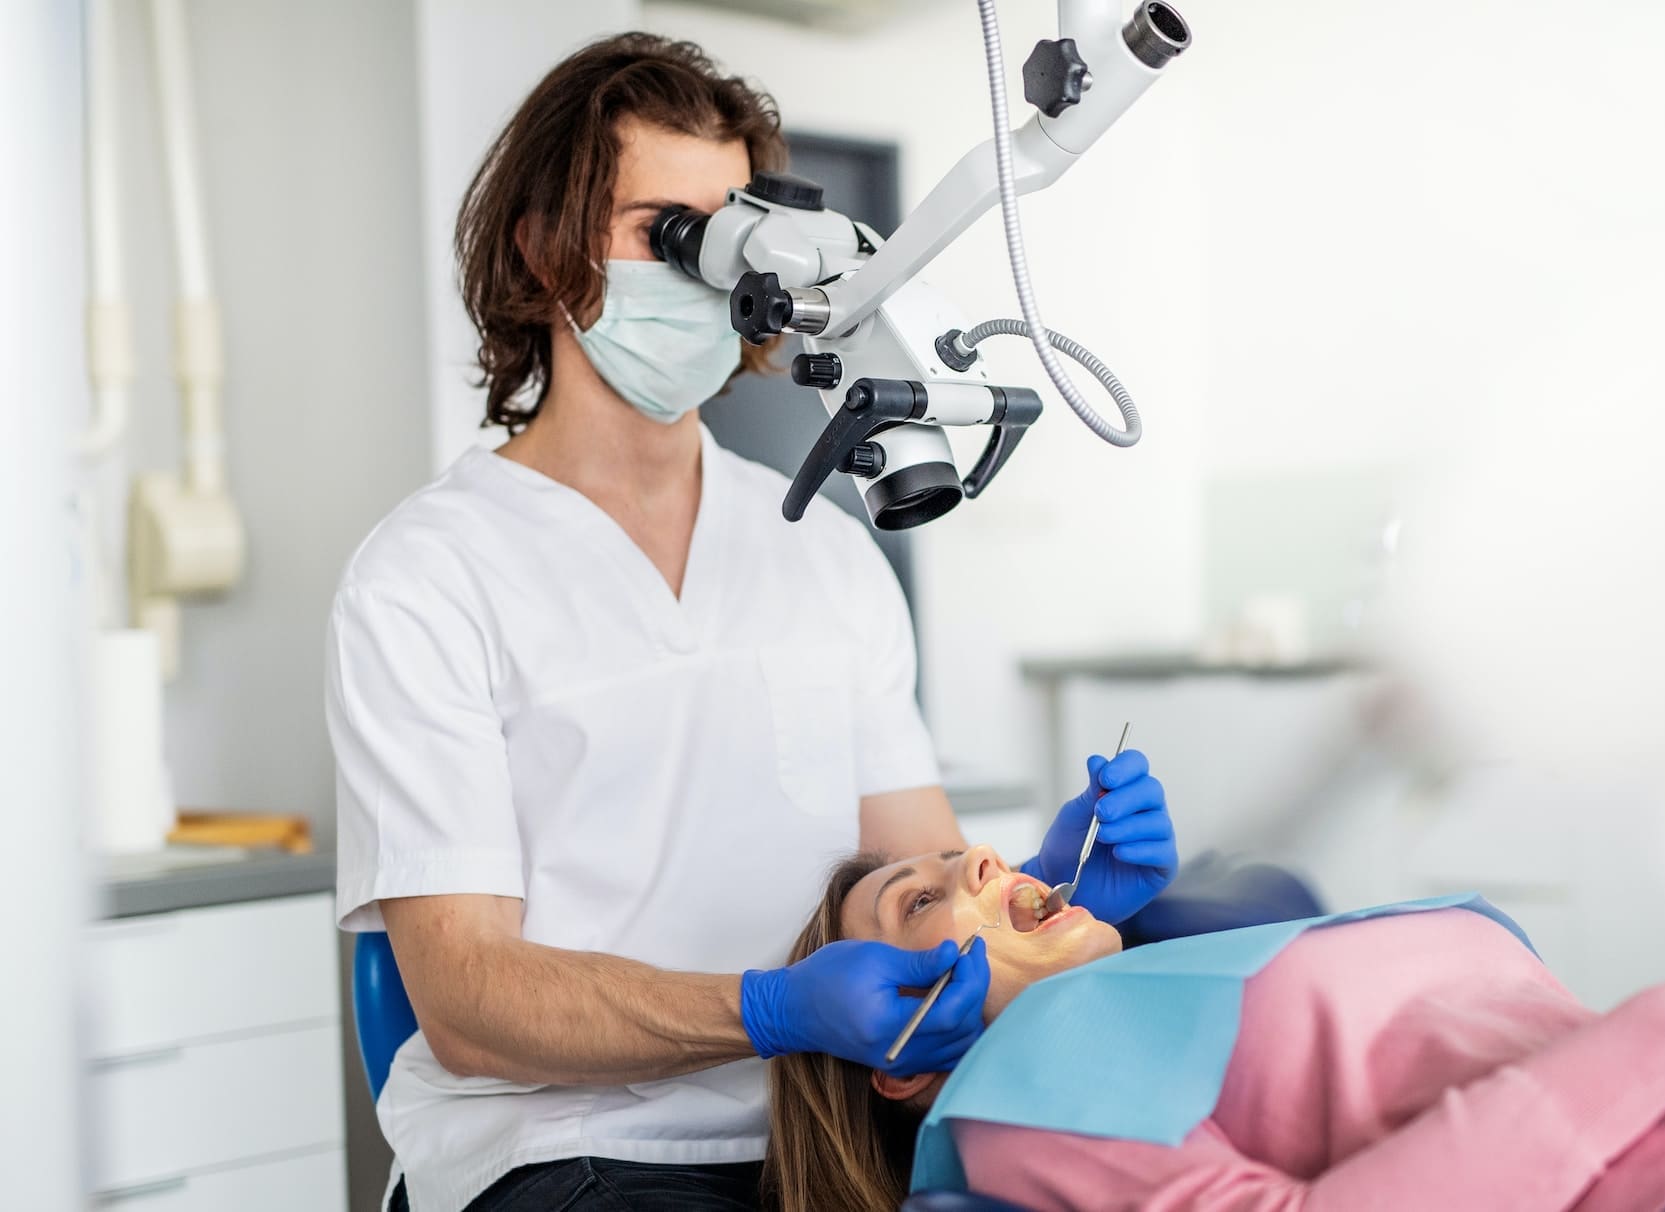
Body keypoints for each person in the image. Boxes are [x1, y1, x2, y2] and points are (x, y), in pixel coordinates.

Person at [323, 33, 1178, 1212]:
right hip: (568, 1151)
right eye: (665, 230)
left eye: (737, 232)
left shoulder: (822, 551)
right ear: (544, 250)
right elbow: (468, 1004)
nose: (714, 272)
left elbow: (913, 880)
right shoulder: (428, 576)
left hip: (826, 1140)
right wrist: (765, 1011)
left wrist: (1045, 887)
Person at [765, 846, 1665, 1212]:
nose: (980, 856)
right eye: (920, 903)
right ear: (895, 1061)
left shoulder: (1179, 978)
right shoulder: (1023, 1100)